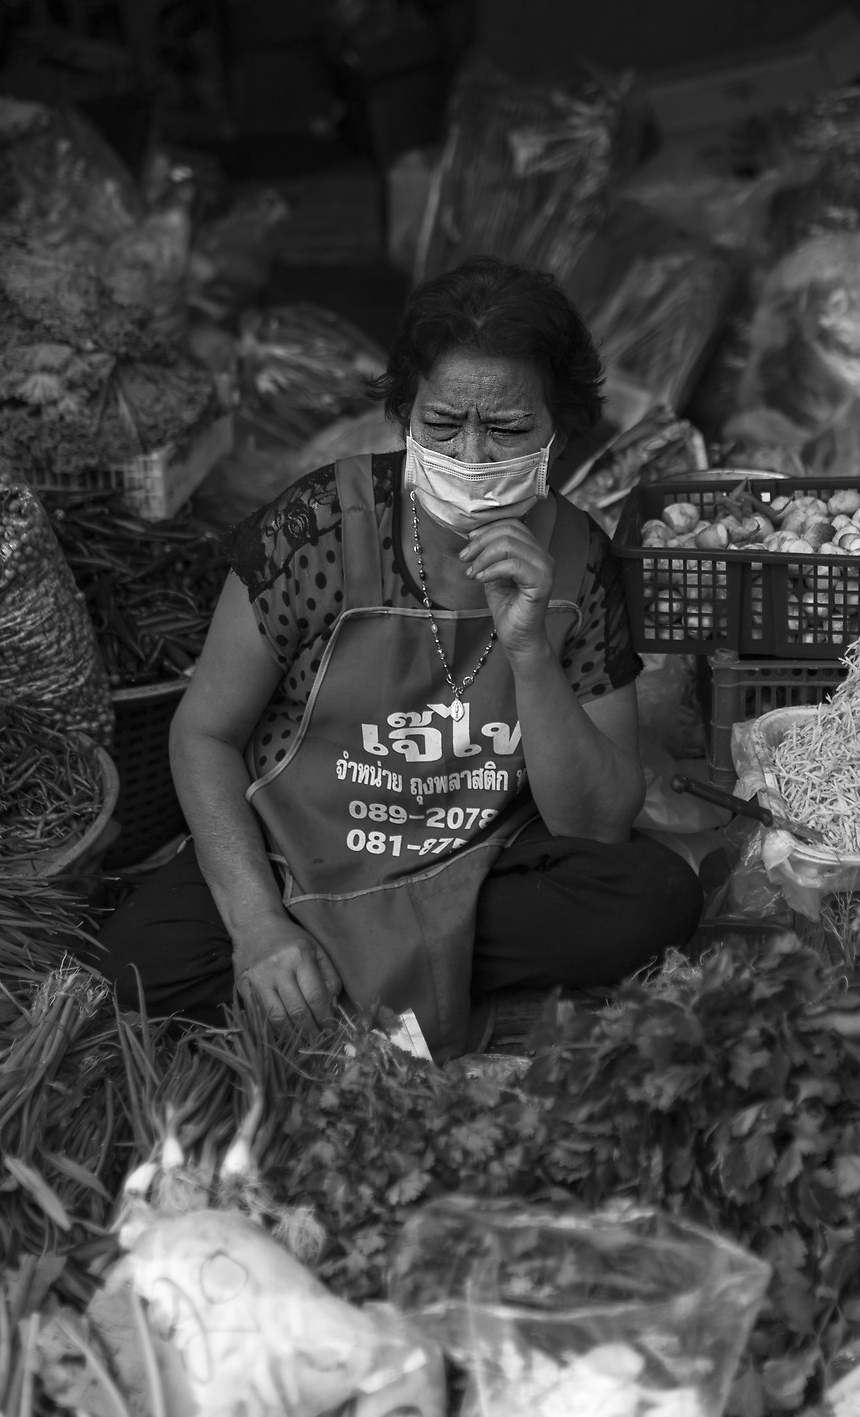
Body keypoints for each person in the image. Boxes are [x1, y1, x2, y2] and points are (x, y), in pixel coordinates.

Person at [98, 256, 701, 1057]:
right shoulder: (314, 532)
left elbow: (594, 823)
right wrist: (256, 925)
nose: (475, 454)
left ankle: (337, 993)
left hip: (474, 867)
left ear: (559, 425)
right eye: (445, 423)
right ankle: (383, 983)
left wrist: (527, 650)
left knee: (653, 897)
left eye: (510, 428)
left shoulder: (578, 561)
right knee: (139, 968)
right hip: (302, 859)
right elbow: (202, 734)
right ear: (405, 413)